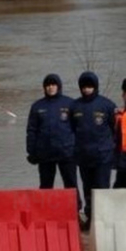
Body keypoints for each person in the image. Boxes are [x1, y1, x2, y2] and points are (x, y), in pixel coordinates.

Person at [70, 71, 117, 230]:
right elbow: (71, 129)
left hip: (102, 156)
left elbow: (114, 129)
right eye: (84, 87)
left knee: (102, 188)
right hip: (83, 157)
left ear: (95, 87)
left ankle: (104, 221)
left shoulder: (107, 105)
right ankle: (90, 218)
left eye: (90, 87)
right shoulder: (74, 106)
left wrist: (112, 151)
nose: (87, 90)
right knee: (87, 189)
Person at [26, 74, 80, 208]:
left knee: (71, 184)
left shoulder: (70, 104)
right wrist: (31, 151)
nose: (50, 88)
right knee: (45, 185)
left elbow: (78, 128)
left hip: (66, 152)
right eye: (48, 85)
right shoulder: (37, 106)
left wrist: (78, 149)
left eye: (53, 85)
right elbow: (32, 130)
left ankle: (75, 210)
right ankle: (43, 211)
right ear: (44, 88)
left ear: (59, 86)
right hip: (45, 154)